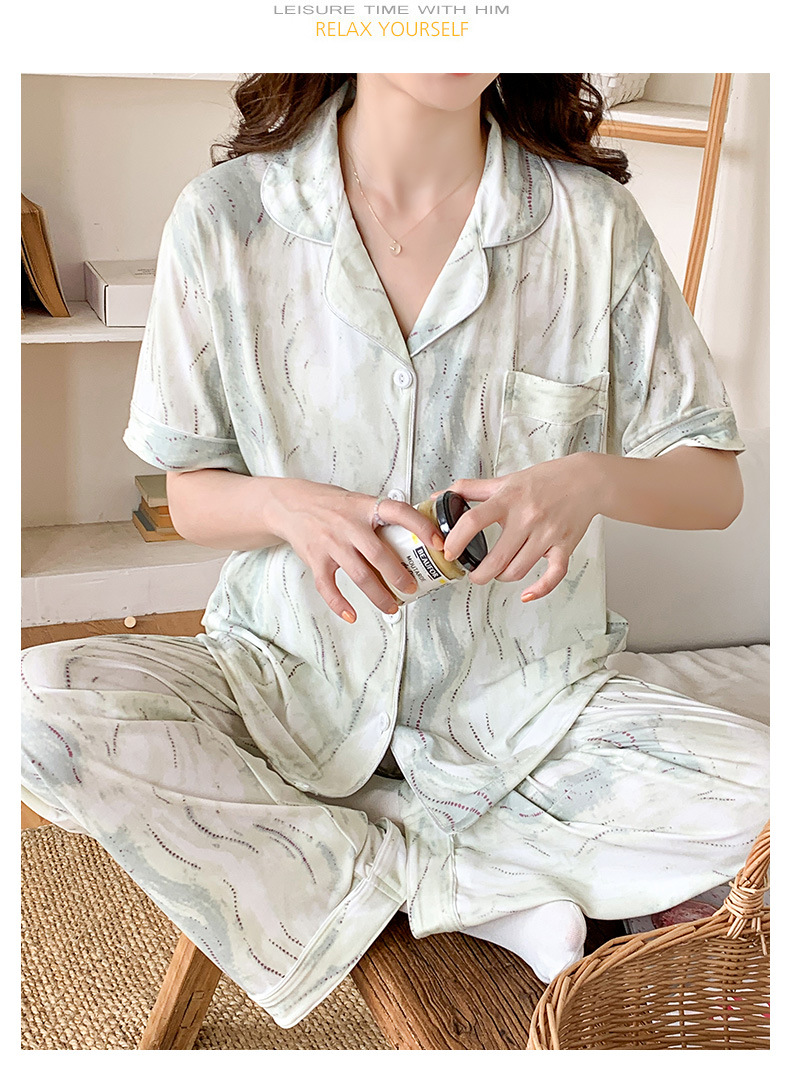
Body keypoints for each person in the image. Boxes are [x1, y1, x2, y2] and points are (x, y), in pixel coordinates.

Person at [21, 74, 768, 1029]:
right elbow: (191, 494)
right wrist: (288, 507)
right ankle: (476, 889)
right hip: (281, 684)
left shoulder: (592, 224)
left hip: (531, 718)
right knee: (34, 711)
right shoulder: (227, 217)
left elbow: (713, 485)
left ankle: (383, 864)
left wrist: (590, 479)